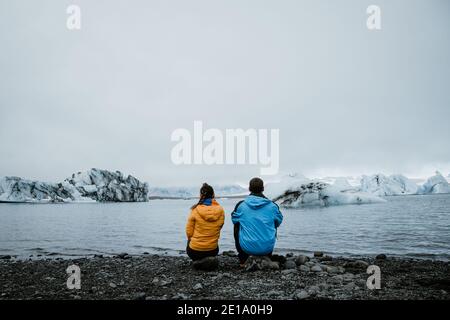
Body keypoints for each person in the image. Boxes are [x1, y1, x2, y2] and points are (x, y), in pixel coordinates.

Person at [232, 177, 283, 265]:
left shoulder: (241, 205)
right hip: (267, 249)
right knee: (274, 222)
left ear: (249, 189)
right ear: (263, 189)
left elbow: (234, 220)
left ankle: (243, 258)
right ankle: (267, 255)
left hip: (246, 248)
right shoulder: (273, 206)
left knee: (237, 224)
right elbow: (278, 222)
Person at [185, 183, 225, 261]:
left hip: (194, 252)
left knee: (190, 240)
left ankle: (197, 261)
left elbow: (189, 232)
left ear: (200, 195)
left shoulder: (195, 210)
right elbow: (219, 227)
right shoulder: (220, 210)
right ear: (213, 194)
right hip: (212, 251)